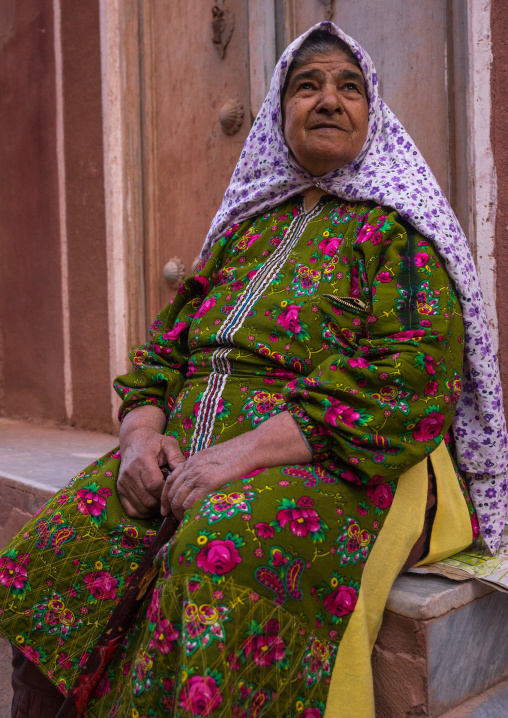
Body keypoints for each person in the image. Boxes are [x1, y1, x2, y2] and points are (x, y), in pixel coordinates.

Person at [2, 21, 507, 718]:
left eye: (349, 88)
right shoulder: (245, 230)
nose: (329, 100)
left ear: (372, 112)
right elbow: (161, 355)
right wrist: (141, 439)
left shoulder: (397, 232)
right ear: (279, 110)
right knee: (64, 539)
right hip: (187, 453)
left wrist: (235, 458)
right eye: (308, 86)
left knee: (216, 546)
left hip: (335, 457)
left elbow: (410, 381)